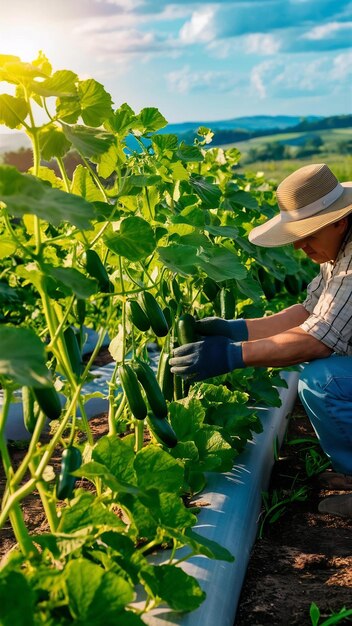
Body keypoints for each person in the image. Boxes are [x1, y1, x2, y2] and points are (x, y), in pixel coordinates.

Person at [170, 163, 352, 518]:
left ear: (339, 220)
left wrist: (232, 356)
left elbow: (317, 340)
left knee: (323, 380)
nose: (300, 245)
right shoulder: (337, 247)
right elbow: (308, 313)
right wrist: (238, 329)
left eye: (308, 235)